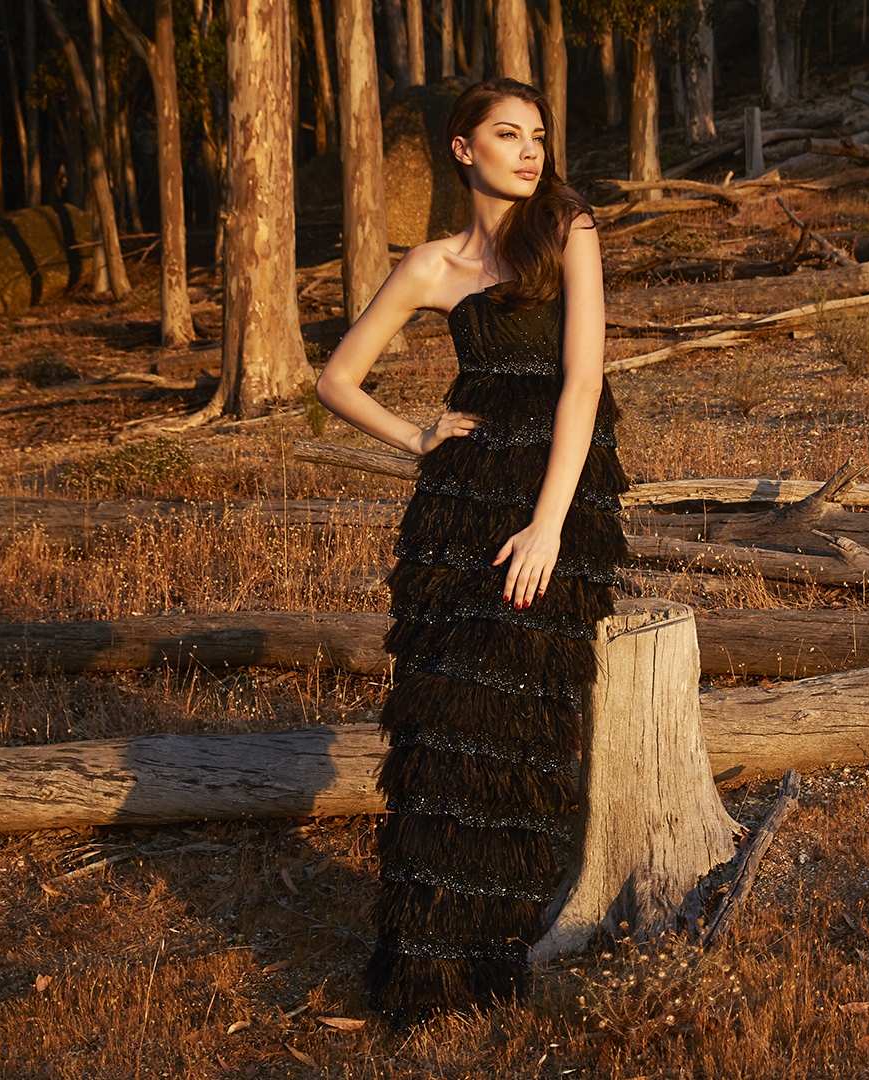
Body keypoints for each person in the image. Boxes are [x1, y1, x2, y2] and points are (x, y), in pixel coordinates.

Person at [316, 77, 628, 1027]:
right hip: (458, 505)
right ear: (463, 149)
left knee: (512, 723)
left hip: (556, 493)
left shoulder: (568, 229)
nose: (530, 152)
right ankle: (424, 968)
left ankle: (493, 953)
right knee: (440, 722)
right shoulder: (430, 264)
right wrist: (416, 437)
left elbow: (583, 385)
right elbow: (336, 380)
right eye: (508, 134)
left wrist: (549, 523)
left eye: (538, 135)